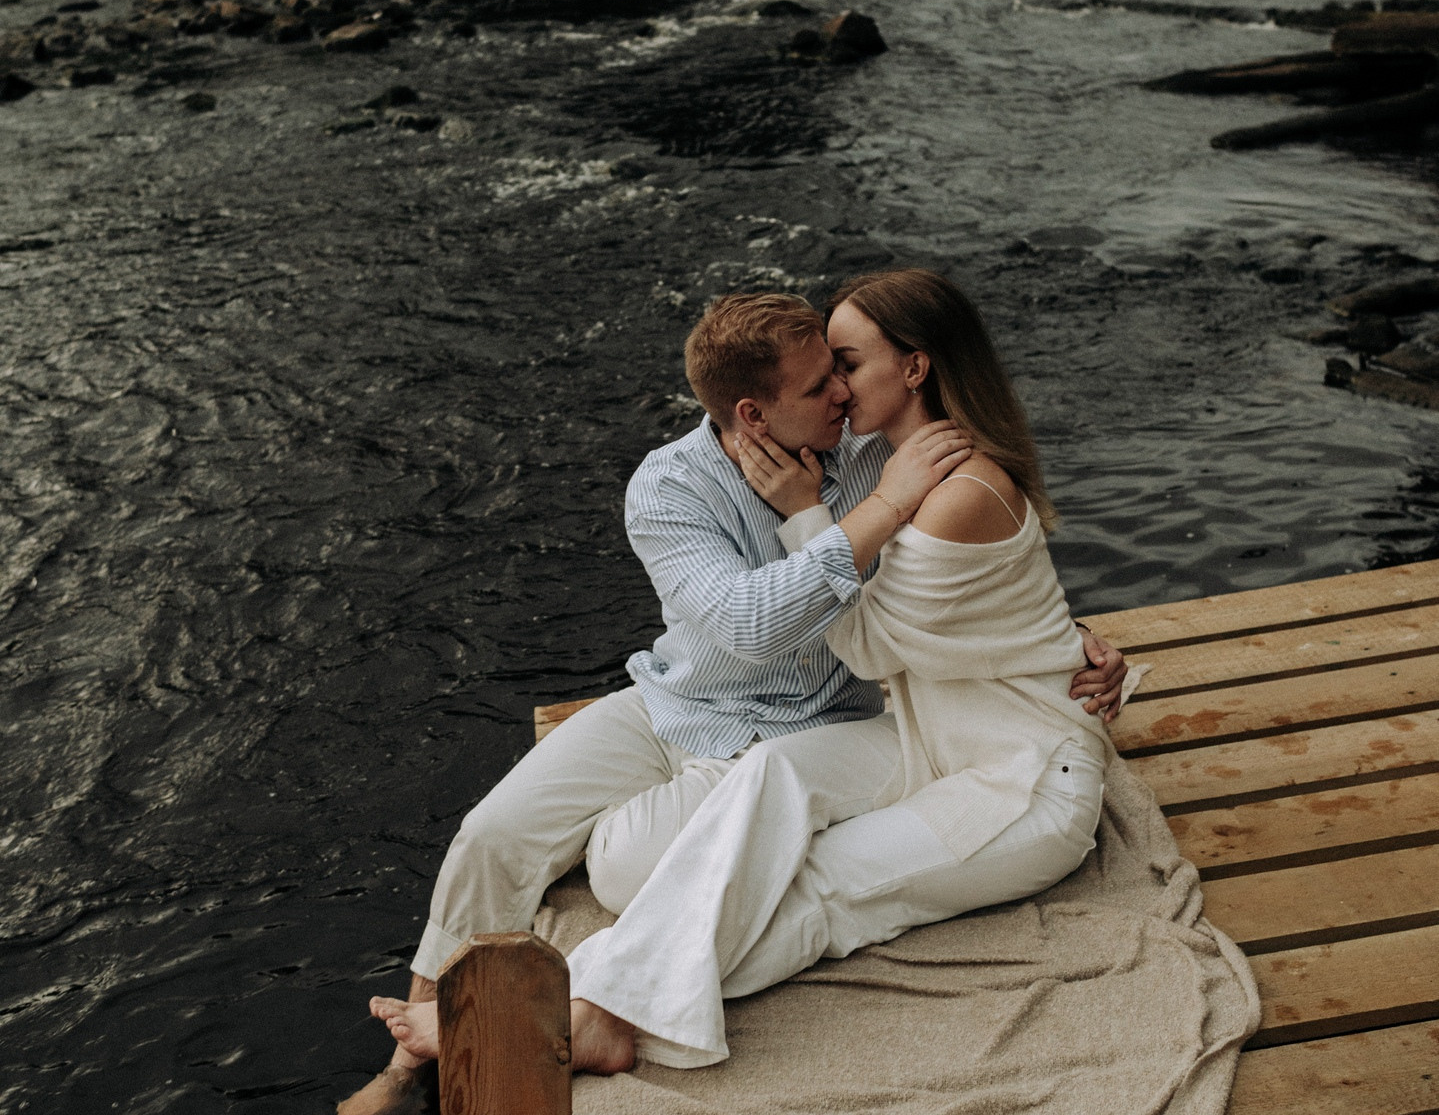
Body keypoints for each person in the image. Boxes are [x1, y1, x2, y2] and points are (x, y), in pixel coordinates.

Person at [344, 290, 1127, 1111]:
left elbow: (957, 583)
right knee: (493, 832)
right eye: (820, 383)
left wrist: (1070, 641)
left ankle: (580, 1009)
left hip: (820, 719)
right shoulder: (670, 486)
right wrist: (858, 515)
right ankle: (408, 1062)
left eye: (842, 369)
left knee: (630, 869)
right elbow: (751, 624)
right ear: (752, 414)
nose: (840, 395)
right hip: (682, 702)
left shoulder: (870, 450)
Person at [555, 269, 1117, 1070]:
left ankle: (598, 1012)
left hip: (1021, 779)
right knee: (771, 776)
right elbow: (996, 608)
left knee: (810, 883)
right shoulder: (888, 466)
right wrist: (1077, 634)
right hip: (925, 742)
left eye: (846, 364)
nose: (837, 392)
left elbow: (862, 647)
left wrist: (805, 517)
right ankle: (595, 1002)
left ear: (913, 369)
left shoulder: (956, 491)